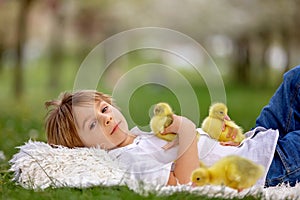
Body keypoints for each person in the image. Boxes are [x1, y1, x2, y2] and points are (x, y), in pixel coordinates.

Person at [44, 66, 300, 188]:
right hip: (268, 166)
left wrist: (220, 136)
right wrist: (186, 129)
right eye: (92, 124)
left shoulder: (139, 138)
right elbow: (185, 183)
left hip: (255, 143)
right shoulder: (129, 160)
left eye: (103, 109)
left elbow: (195, 153)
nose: (106, 119)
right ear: (82, 147)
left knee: (294, 80)